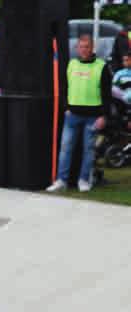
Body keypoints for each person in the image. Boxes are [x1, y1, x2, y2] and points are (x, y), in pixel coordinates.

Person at [47, 35, 112, 193]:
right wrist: (66, 108)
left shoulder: (101, 66)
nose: (84, 50)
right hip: (72, 115)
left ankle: (83, 180)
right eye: (81, 47)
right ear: (77, 48)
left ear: (92, 48)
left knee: (88, 150)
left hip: (93, 116)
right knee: (65, 148)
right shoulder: (71, 64)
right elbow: (64, 88)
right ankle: (61, 180)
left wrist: (104, 116)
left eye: (87, 47)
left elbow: (106, 94)